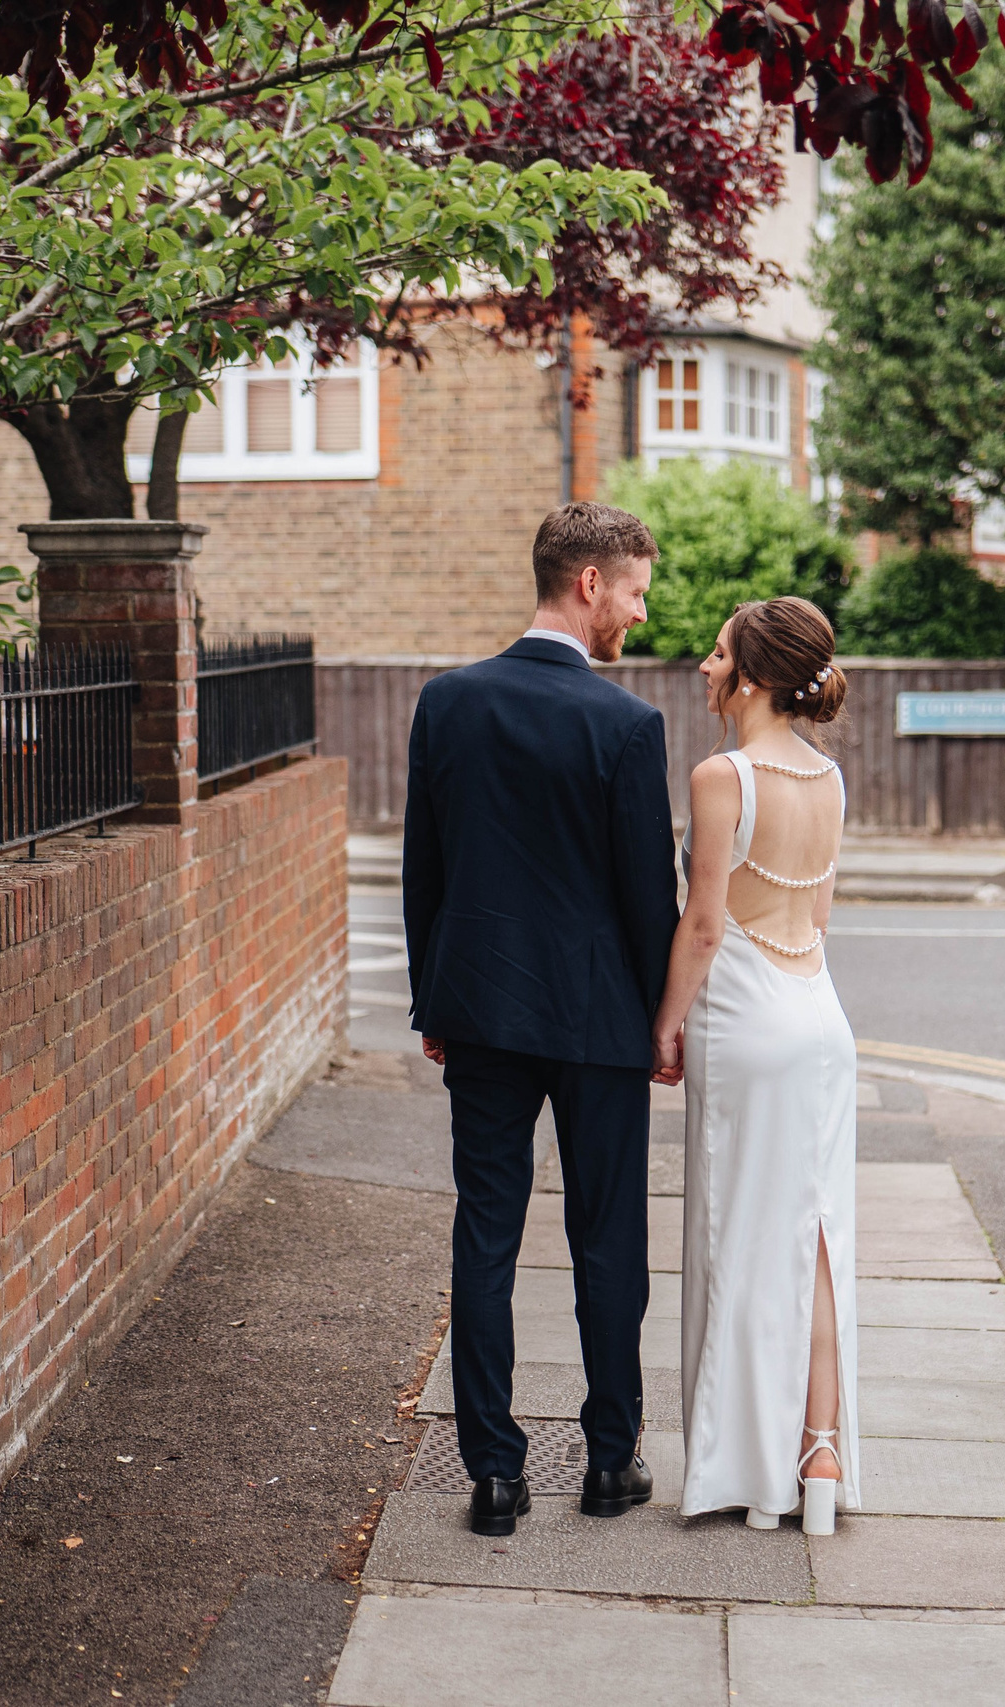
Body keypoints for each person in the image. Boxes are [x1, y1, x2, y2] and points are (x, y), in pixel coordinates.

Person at [401, 502, 679, 1538]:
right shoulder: (625, 726)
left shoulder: (449, 702)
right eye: (637, 593)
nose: (640, 617)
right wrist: (663, 1019)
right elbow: (647, 894)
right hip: (601, 1021)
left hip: (479, 1009)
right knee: (609, 1243)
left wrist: (435, 999)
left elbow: (422, 868)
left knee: (487, 1233)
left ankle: (494, 1475)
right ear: (590, 585)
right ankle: (612, 1462)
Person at [654, 597, 862, 1538]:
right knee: (816, 1237)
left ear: (754, 674)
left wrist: (667, 1021)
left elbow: (703, 925)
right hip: (820, 1019)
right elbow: (818, 921)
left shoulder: (721, 774)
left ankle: (745, 1469)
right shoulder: (830, 779)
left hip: (745, 1022)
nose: (704, 664)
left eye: (718, 651)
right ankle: (820, 1449)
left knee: (738, 1237)